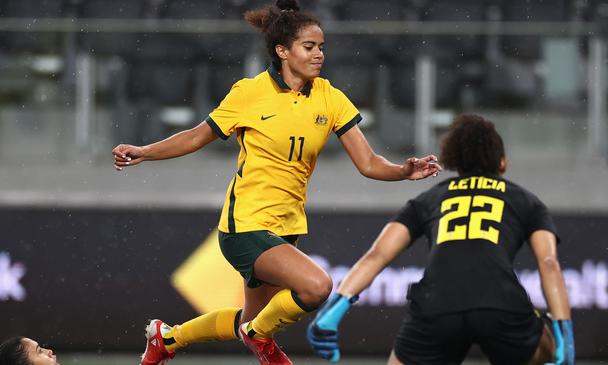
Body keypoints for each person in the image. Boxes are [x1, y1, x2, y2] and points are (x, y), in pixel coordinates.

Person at [112, 1, 441, 364]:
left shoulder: (330, 97)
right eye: (309, 47)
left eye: (322, 47)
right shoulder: (249, 93)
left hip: (287, 227)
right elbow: (195, 136)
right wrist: (145, 151)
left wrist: (402, 171)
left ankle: (169, 338)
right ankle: (258, 336)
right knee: (317, 287)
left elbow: (368, 162)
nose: (319, 55)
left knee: (251, 319)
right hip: (245, 226)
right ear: (282, 51)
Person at [307, 114, 575, 365]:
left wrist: (336, 307)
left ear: (454, 160)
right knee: (546, 347)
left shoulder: (429, 199)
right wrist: (565, 333)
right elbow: (549, 262)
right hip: (499, 303)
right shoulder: (526, 201)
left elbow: (377, 255)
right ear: (502, 162)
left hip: (437, 304)